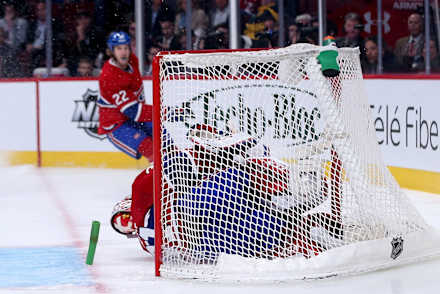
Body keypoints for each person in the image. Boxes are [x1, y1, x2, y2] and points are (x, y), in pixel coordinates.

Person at [110, 123, 341, 257]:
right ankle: (299, 220)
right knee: (248, 191)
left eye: (124, 217)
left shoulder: (148, 216)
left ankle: (299, 220)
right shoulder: (146, 203)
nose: (127, 222)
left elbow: (172, 170)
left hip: (200, 234)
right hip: (196, 225)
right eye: (123, 223)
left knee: (263, 223)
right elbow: (167, 172)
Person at [97, 31, 153, 162]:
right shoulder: (109, 76)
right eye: (119, 48)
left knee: (165, 139)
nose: (123, 52)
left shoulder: (133, 61)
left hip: (136, 117)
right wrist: (163, 112)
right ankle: (160, 181)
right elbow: (133, 111)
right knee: (152, 150)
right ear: (111, 51)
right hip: (117, 125)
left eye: (126, 48)